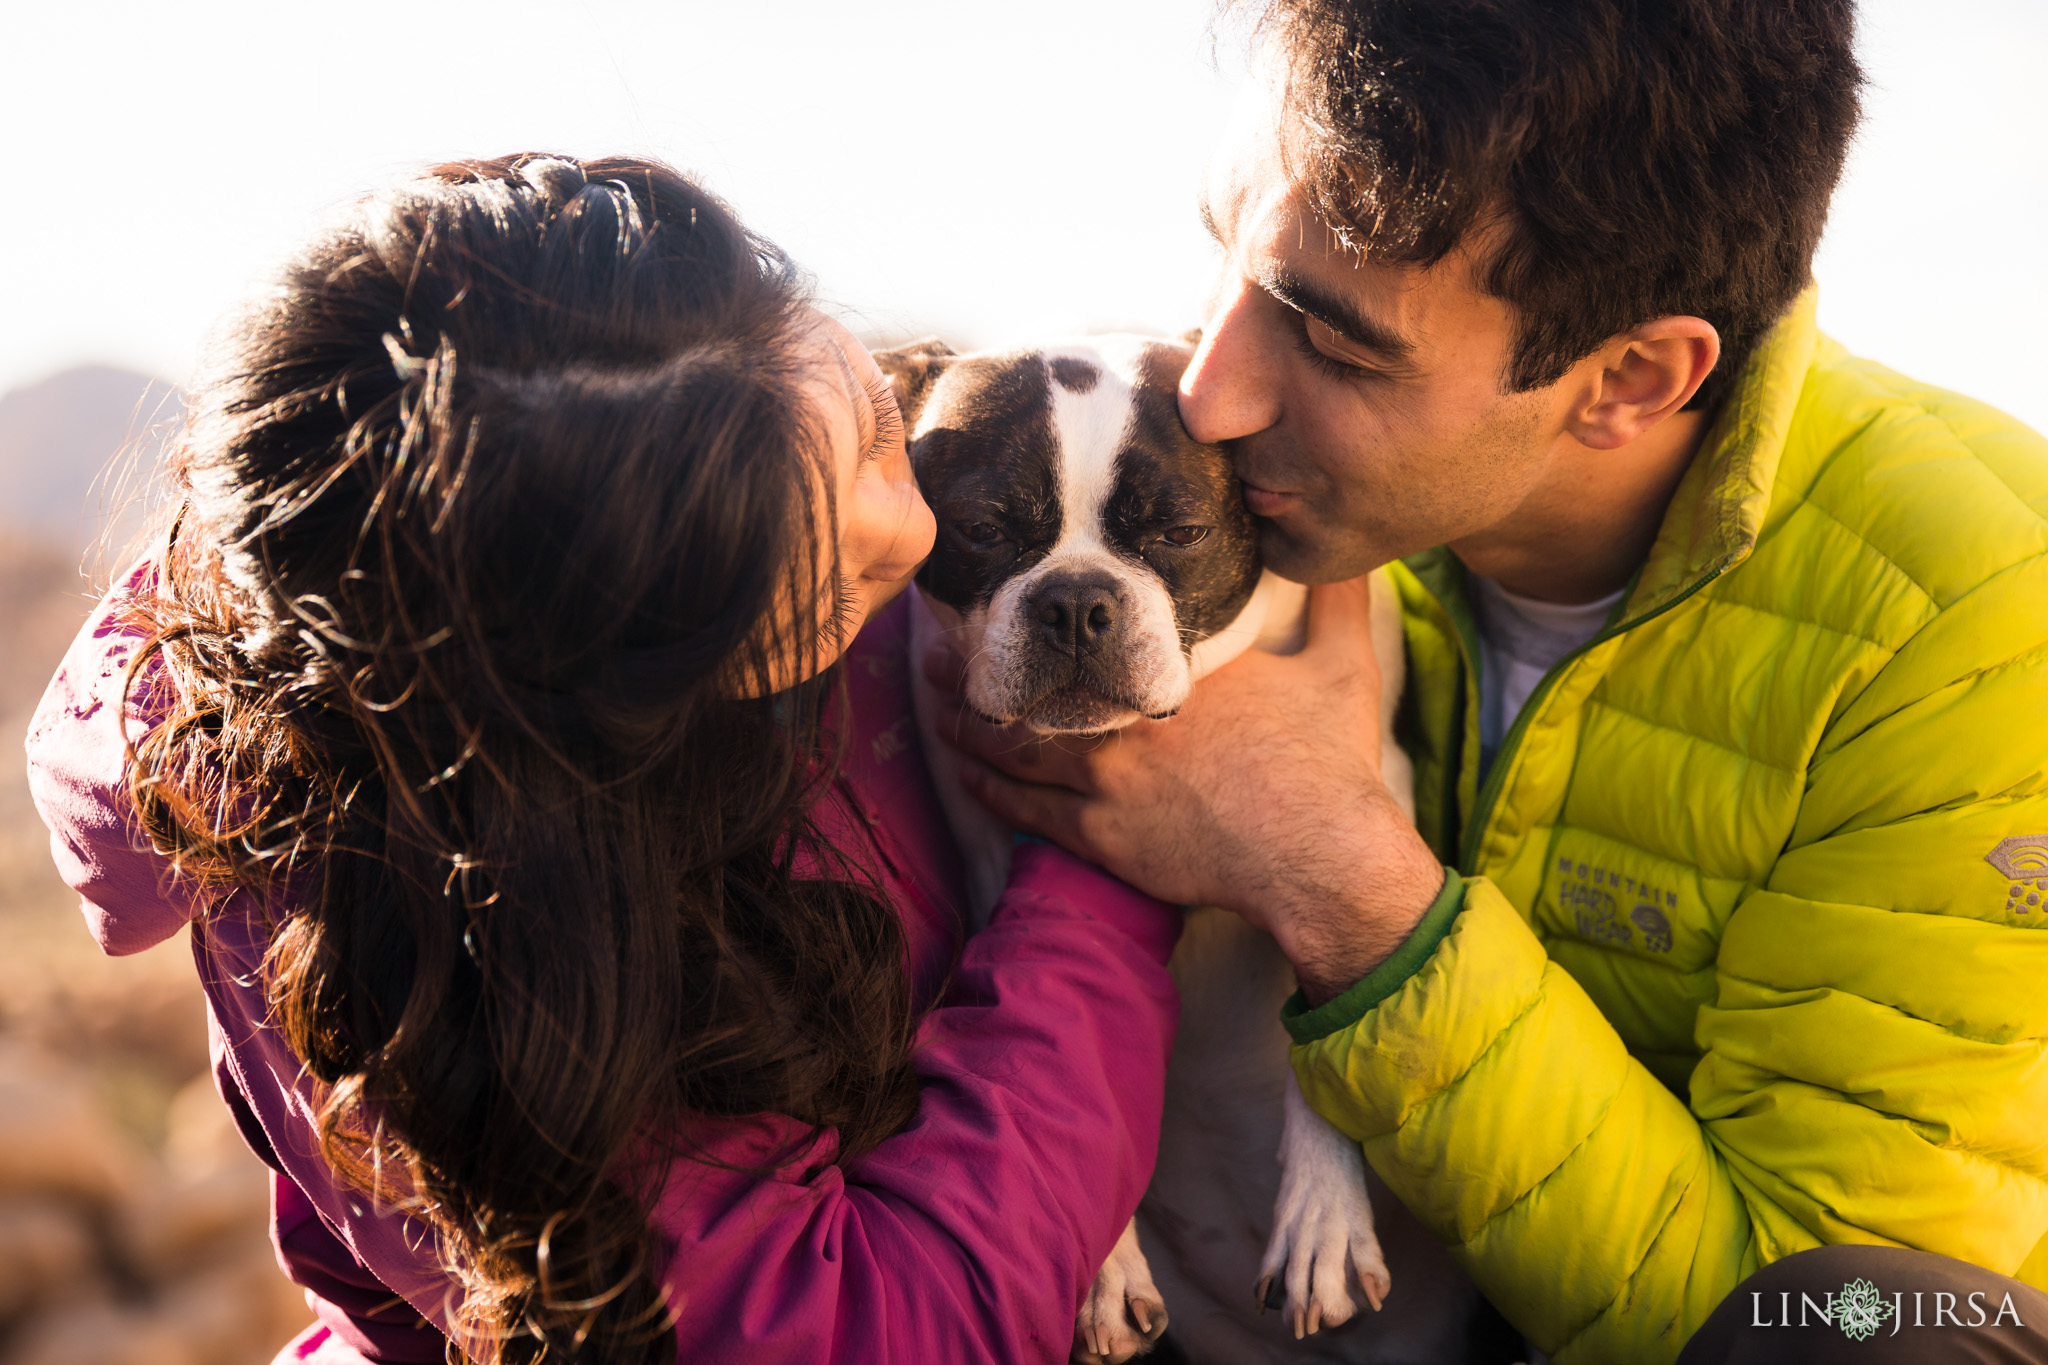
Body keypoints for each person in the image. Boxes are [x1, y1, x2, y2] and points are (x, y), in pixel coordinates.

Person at [934, 2, 2048, 1362]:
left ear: (1629, 377)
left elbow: (1823, 1306)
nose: (1212, 395)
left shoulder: (1978, 622)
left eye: (1331, 342)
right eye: (1224, 257)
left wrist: (1345, 878)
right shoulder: (1291, 526)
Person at [26, 154, 1182, 1365]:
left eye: (883, 434)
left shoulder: (615, 421)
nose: (914, 530)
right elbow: (855, 1337)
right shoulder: (497, 945)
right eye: (824, 591)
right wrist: (1108, 856)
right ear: (617, 707)